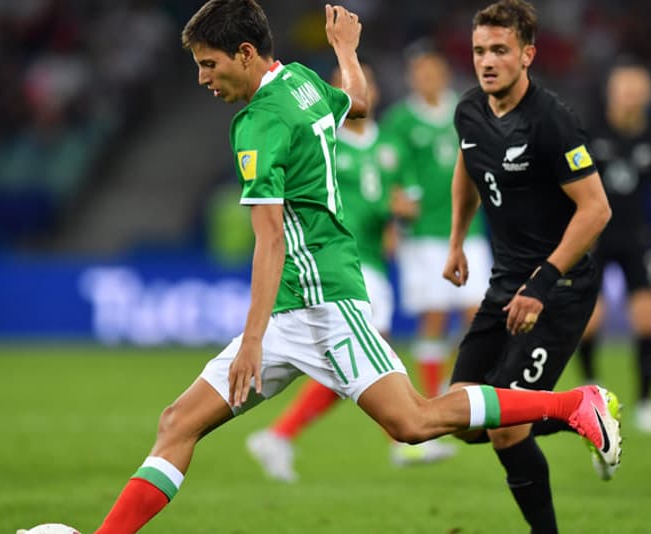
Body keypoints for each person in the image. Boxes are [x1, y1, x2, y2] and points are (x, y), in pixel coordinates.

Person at [92, 2, 620, 532]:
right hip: (290, 309)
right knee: (177, 422)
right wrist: (345, 49)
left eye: (209, 64)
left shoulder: (257, 124)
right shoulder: (299, 81)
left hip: (324, 303)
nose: (203, 78)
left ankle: (575, 403)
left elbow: (271, 239)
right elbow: (360, 103)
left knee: (414, 421)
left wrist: (250, 340)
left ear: (246, 53)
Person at [443, 0, 617, 531]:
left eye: (500, 50)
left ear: (528, 55)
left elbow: (597, 209)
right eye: (479, 50)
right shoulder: (469, 110)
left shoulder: (551, 122)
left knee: (504, 429)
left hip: (559, 288)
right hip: (504, 286)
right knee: (462, 417)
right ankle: (580, 410)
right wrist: (456, 240)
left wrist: (542, 282)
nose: (486, 61)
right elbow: (467, 169)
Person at [245, 65, 452, 483]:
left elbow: (404, 197)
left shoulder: (389, 145)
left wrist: (399, 217)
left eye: (366, 83)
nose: (359, 91)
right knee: (363, 358)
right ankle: (401, 443)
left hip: (374, 259)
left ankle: (280, 435)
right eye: (344, 85)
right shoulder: (327, 142)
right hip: (342, 261)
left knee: (355, 363)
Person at [574, 60, 651, 433]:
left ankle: (646, 404)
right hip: (595, 238)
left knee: (648, 317)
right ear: (611, 91)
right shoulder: (590, 131)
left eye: (637, 89)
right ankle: (591, 396)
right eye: (624, 88)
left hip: (636, 237)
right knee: (591, 321)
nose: (630, 95)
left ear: (647, 95)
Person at [381, 43, 492, 404]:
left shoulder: (466, 111)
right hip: (424, 235)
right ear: (412, 77)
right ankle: (433, 399)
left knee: (480, 313)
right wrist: (392, 217)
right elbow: (387, 173)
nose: (426, 78)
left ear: (445, 74)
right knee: (434, 316)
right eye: (419, 71)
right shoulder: (400, 120)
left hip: (468, 229)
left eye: (432, 70)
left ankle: (457, 381)